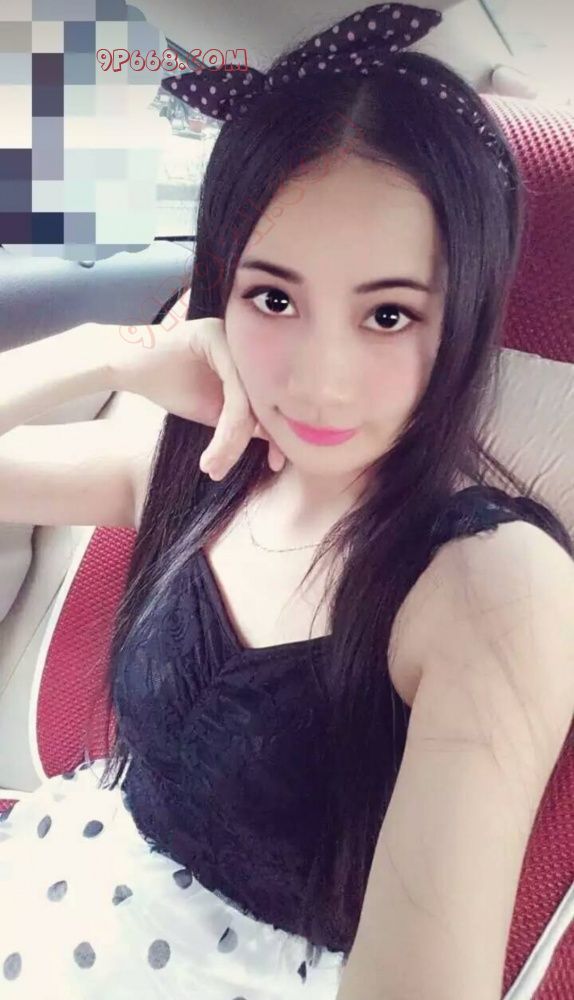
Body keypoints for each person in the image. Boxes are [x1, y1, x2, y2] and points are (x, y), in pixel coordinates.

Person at [0, 4, 572, 1000]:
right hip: (52, 882)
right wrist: (109, 352)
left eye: (387, 313)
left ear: (464, 315)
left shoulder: (494, 588)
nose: (319, 383)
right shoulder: (201, 462)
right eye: (273, 298)